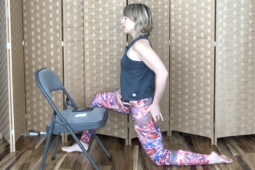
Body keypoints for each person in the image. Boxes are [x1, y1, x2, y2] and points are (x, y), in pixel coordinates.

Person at [62, 3, 233, 166]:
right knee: (98, 100)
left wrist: (155, 104)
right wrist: (121, 91)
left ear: (137, 21)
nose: (122, 21)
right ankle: (83, 143)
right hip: (129, 100)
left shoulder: (140, 45)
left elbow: (162, 72)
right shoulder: (136, 43)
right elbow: (138, 73)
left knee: (160, 157)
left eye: (126, 18)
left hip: (142, 107)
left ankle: (210, 158)